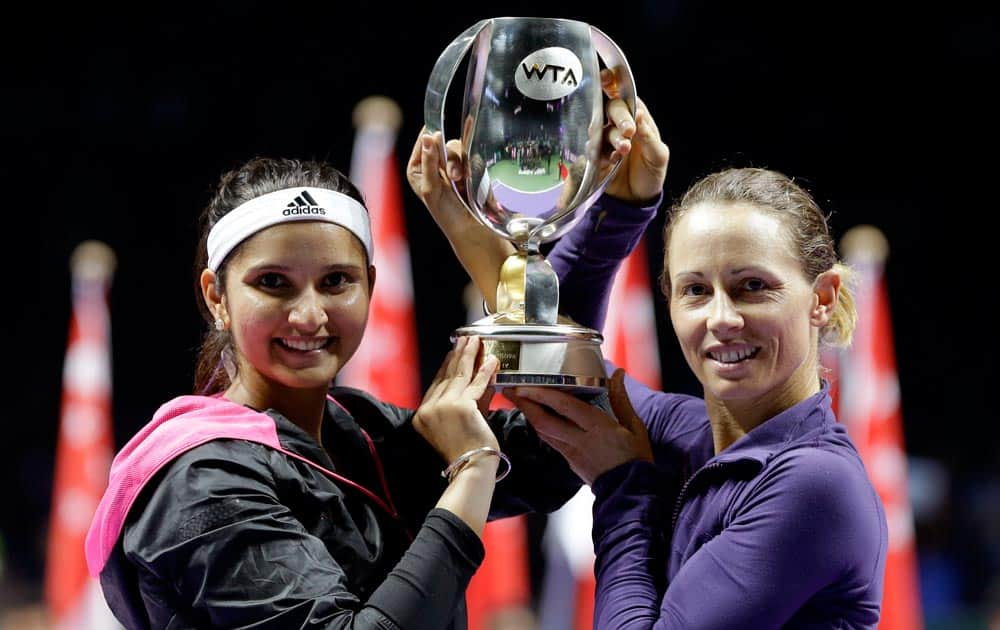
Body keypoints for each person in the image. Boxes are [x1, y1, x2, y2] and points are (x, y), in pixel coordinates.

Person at [411, 98, 888, 624]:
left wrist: (622, 485)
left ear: (821, 299)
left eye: (753, 287)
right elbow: (555, 363)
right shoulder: (689, 432)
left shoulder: (814, 484)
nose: (721, 318)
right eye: (695, 291)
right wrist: (620, 204)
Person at [84, 157, 584, 629]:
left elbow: (575, 446)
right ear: (218, 296)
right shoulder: (203, 481)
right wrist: (473, 466)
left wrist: (474, 237)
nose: (309, 316)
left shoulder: (362, 432)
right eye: (274, 282)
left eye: (336, 281)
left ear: (369, 285)